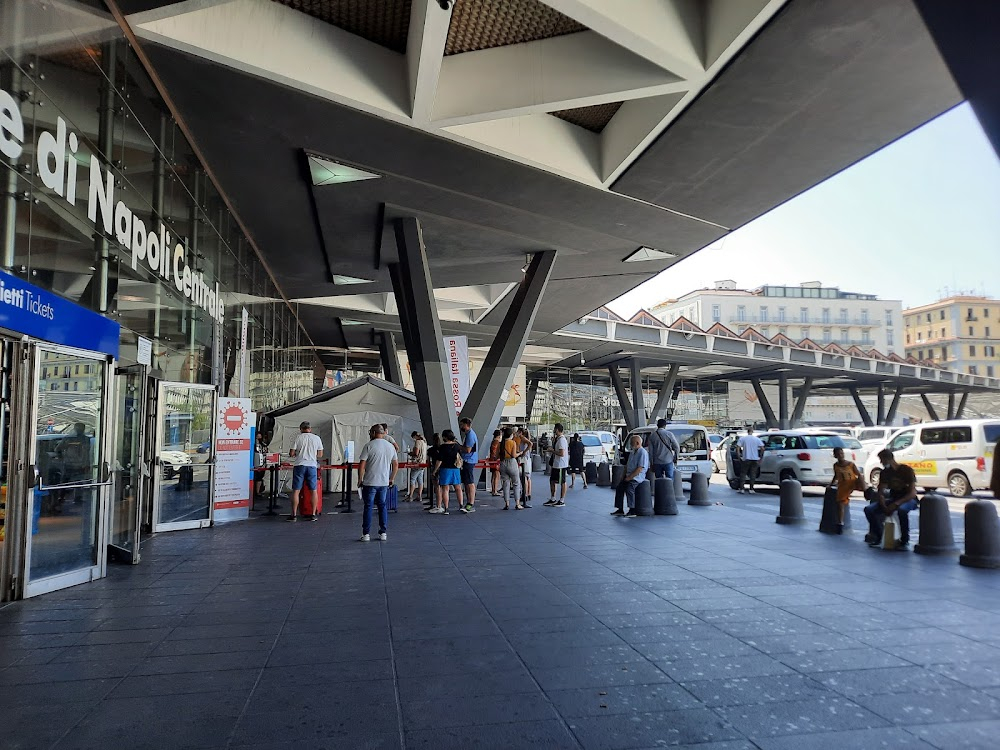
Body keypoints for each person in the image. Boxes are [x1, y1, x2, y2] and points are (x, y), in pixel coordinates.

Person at [864, 448, 918, 549]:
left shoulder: (906, 470)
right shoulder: (885, 473)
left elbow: (912, 492)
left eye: (882, 460)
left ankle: (904, 540)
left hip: (908, 499)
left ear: (888, 459)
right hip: (893, 498)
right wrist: (884, 505)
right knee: (869, 510)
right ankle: (879, 536)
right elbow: (881, 491)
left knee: (902, 510)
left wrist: (896, 504)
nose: (881, 462)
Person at [357, 424, 398, 542]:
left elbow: (362, 465)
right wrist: (392, 478)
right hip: (384, 482)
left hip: (370, 482)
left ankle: (366, 534)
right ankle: (383, 533)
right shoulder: (390, 446)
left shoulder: (368, 446)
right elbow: (395, 464)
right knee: (382, 506)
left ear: (374, 433)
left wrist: (360, 479)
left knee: (368, 507)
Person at [287, 421, 323, 521]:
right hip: (312, 466)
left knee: (296, 491)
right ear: (310, 428)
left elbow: (291, 453)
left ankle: (294, 515)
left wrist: (297, 454)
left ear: (301, 429)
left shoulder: (298, 438)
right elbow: (320, 454)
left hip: (299, 465)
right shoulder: (316, 438)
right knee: (313, 491)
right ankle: (313, 514)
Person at [828, 447, 863, 534]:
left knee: (841, 502)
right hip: (843, 485)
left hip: (852, 483)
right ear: (835, 455)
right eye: (838, 454)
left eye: (841, 453)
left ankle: (867, 491)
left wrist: (862, 483)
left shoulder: (850, 464)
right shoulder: (835, 465)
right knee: (840, 503)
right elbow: (836, 476)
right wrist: (831, 484)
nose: (840, 455)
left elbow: (858, 474)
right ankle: (840, 523)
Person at [430, 429, 463, 515]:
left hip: (445, 469)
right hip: (456, 469)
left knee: (445, 489)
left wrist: (435, 471)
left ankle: (446, 508)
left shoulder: (442, 447)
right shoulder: (457, 446)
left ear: (445, 437)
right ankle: (461, 505)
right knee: (458, 488)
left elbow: (439, 460)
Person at [617, 434, 649, 517]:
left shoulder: (642, 452)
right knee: (619, 488)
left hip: (637, 476)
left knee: (629, 489)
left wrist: (630, 477)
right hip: (629, 475)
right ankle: (620, 509)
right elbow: (627, 466)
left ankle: (632, 509)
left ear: (637, 443)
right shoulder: (632, 452)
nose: (631, 445)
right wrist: (623, 476)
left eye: (632, 443)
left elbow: (640, 468)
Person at [498, 427, 523, 510]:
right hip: (512, 463)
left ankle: (507, 504)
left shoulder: (500, 443)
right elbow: (513, 455)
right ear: (511, 434)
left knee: (505, 484)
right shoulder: (512, 443)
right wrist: (520, 453)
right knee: (516, 483)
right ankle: (517, 503)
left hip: (503, 464)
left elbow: (498, 455)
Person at [545, 424, 569, 507]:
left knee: (562, 481)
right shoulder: (557, 439)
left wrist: (552, 451)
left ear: (558, 430)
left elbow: (561, 453)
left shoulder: (562, 440)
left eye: (555, 429)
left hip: (560, 464)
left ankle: (562, 500)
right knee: (552, 481)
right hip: (556, 464)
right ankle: (553, 498)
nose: (554, 430)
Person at [735, 427, 765, 494]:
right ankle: (751, 489)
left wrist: (739, 456)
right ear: (752, 431)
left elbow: (737, 448)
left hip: (746, 458)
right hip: (755, 459)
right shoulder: (757, 439)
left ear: (747, 431)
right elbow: (762, 448)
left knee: (743, 473)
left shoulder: (743, 439)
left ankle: (742, 488)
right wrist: (760, 457)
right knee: (753, 474)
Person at [458, 417, 479, 513]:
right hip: (468, 460)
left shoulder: (470, 435)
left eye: (462, 424)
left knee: (470, 482)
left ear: (466, 425)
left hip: (468, 460)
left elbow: (468, 449)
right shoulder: (469, 434)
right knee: (467, 482)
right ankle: (469, 502)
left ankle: (470, 503)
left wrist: (459, 447)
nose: (461, 426)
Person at [407, 431, 427, 502]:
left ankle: (410, 496)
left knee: (412, 479)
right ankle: (419, 496)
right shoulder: (424, 442)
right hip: (423, 463)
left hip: (417, 463)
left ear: (415, 436)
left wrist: (410, 453)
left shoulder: (418, 442)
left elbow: (416, 453)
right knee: (420, 480)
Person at [517, 428, 534, 508]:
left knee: (524, 477)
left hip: (525, 459)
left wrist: (524, 452)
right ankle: (527, 494)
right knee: (527, 477)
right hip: (527, 459)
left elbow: (530, 444)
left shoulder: (523, 438)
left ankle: (524, 494)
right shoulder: (524, 438)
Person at [426, 433, 441, 509]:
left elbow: (428, 461)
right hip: (443, 468)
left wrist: (434, 470)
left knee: (436, 487)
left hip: (434, 467)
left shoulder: (430, 450)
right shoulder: (442, 449)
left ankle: (438, 505)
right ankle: (443, 505)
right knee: (443, 488)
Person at [488, 429, 502, 496]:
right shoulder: (497, 443)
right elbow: (496, 452)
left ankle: (493, 489)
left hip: (492, 460)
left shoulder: (493, 442)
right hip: (496, 460)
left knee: (494, 475)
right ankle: (495, 490)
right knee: (497, 475)